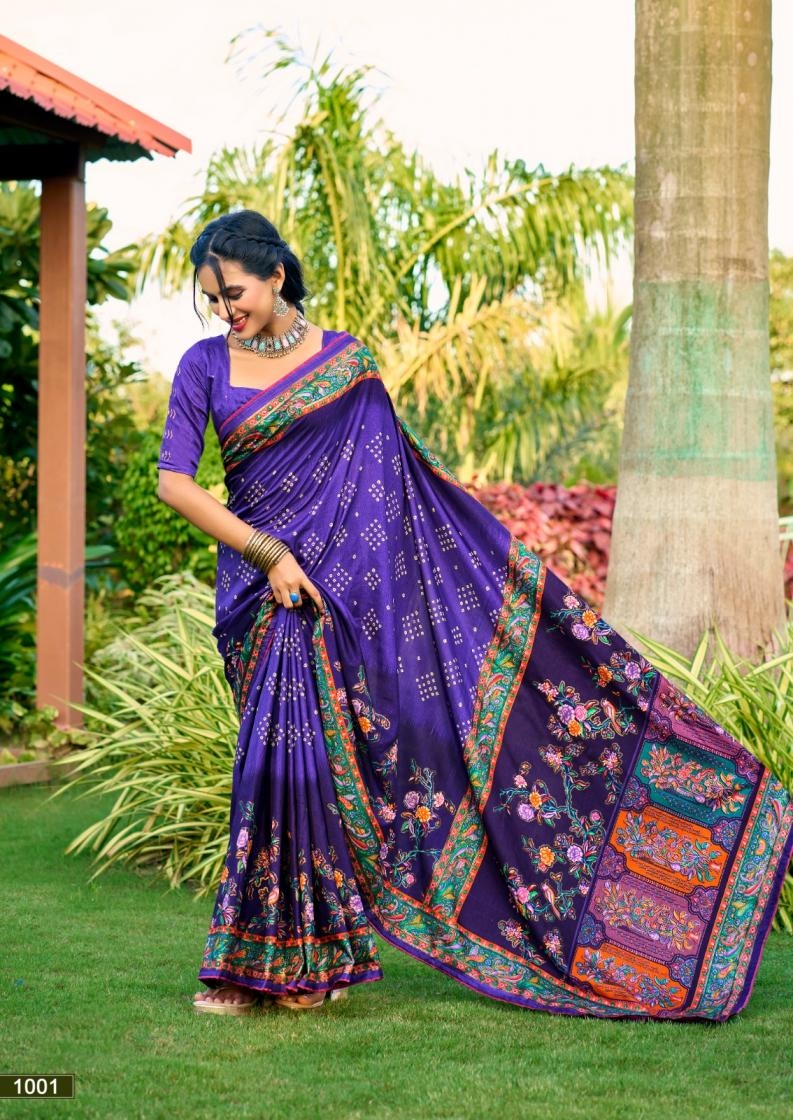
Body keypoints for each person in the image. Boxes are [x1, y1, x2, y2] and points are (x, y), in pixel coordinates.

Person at [158, 209, 792, 1019]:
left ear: (276, 275)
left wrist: (370, 591)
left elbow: (394, 495)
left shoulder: (347, 364)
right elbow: (174, 482)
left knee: (346, 766)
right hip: (267, 596)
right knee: (275, 773)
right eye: (212, 300)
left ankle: (305, 964)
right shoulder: (204, 365)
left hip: (347, 600)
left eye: (234, 294)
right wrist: (269, 555)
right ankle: (274, 962)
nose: (224, 312)